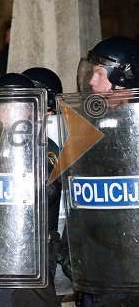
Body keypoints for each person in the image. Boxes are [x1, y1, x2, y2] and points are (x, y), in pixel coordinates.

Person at [0, 73, 61, 307]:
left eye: (18, 106)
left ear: (32, 110)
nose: (9, 112)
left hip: (31, 255)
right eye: (3, 105)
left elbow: (47, 189)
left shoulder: (45, 147)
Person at [70, 35, 139, 307]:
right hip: (98, 264)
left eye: (99, 73)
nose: (91, 82)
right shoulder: (90, 127)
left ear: (125, 77)